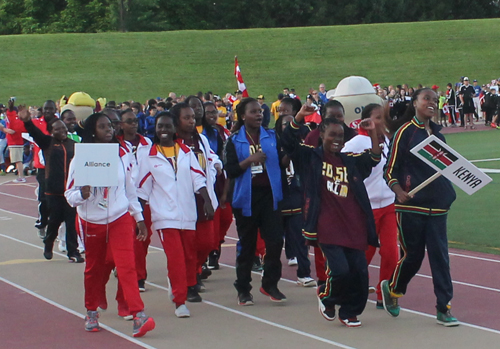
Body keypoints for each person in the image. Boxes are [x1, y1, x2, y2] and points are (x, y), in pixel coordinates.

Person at [282, 104, 381, 327]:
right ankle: (328, 298)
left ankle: (349, 312)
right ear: (321, 135)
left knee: (360, 273)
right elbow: (288, 142)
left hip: (354, 225)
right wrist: (299, 116)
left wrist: (373, 131)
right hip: (327, 226)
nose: (337, 139)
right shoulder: (311, 159)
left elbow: (374, 158)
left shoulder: (350, 160)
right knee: (340, 271)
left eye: (341, 135)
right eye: (332, 134)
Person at [65, 112, 155, 336]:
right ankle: (91, 310)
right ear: (93, 131)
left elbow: (130, 189)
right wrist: (82, 195)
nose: (109, 131)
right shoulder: (81, 158)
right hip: (91, 221)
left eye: (110, 126)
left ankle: (138, 314)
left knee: (127, 265)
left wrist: (139, 217)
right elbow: (69, 195)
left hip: (119, 217)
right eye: (103, 127)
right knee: (94, 269)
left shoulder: (123, 153)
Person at [381, 88, 458, 327]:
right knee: (412, 256)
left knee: (440, 258)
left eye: (435, 100)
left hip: (437, 207)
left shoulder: (438, 137)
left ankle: (443, 308)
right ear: (415, 103)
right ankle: (393, 289)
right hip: (411, 207)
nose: (432, 103)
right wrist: (399, 191)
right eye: (427, 99)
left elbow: (448, 169)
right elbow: (389, 170)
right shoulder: (404, 133)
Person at [136, 112, 214, 318]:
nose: (163, 130)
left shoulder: (186, 151)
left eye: (167, 126)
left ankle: (180, 284)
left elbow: (199, 178)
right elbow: (142, 189)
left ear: (174, 130)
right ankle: (180, 301)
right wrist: (138, 217)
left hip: (188, 214)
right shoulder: (149, 156)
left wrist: (206, 200)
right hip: (165, 216)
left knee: (189, 256)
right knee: (176, 257)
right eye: (160, 126)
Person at [225, 97, 286, 305]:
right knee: (248, 246)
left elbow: (281, 161)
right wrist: (249, 161)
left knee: (276, 241)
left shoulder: (271, 136)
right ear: (243, 116)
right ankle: (243, 288)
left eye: (260, 111)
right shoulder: (234, 140)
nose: (259, 115)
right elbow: (230, 170)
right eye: (253, 112)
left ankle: (270, 283)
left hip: (270, 196)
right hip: (246, 198)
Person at [342, 103, 399, 309]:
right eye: (378, 118)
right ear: (366, 121)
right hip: (365, 208)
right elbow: (341, 168)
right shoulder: (356, 143)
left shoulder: (391, 141)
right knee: (364, 254)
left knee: (392, 252)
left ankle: (385, 293)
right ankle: (349, 289)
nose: (383, 122)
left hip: (389, 206)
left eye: (385, 117)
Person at [17, 106, 84, 263]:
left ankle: (73, 252)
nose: (61, 131)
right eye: (57, 129)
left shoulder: (73, 144)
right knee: (54, 220)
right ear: (51, 131)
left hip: (70, 190)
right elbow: (35, 133)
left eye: (63, 128)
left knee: (71, 221)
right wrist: (27, 121)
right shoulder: (47, 143)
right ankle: (49, 243)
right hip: (53, 191)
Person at [171, 100, 220, 298]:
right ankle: (189, 282)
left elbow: (210, 157)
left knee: (207, 243)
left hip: (203, 198)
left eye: (192, 117)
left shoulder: (200, 140)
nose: (192, 121)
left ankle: (196, 269)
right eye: (187, 118)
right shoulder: (171, 144)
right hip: (183, 200)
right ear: (177, 121)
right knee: (188, 245)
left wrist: (216, 167)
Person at [274, 113, 315, 287]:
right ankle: (271, 276)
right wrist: (290, 150)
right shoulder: (273, 144)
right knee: (275, 241)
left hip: (297, 196)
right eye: (285, 124)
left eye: (293, 123)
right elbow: (281, 163)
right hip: (278, 197)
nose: (289, 126)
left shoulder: (302, 146)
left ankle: (304, 273)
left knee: (300, 237)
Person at [116, 108, 153, 292]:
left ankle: (138, 275)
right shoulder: (116, 145)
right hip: (122, 200)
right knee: (127, 240)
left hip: (144, 198)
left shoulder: (147, 143)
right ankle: (133, 274)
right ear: (120, 125)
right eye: (129, 121)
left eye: (135, 121)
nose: (133, 124)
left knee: (142, 240)